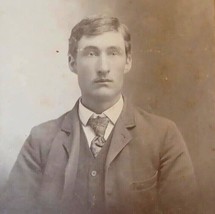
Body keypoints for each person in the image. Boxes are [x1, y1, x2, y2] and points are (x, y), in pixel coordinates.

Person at [1, 15, 200, 214]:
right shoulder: (41, 140)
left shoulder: (162, 136)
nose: (103, 68)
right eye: (91, 53)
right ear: (72, 63)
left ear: (128, 61)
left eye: (113, 53)